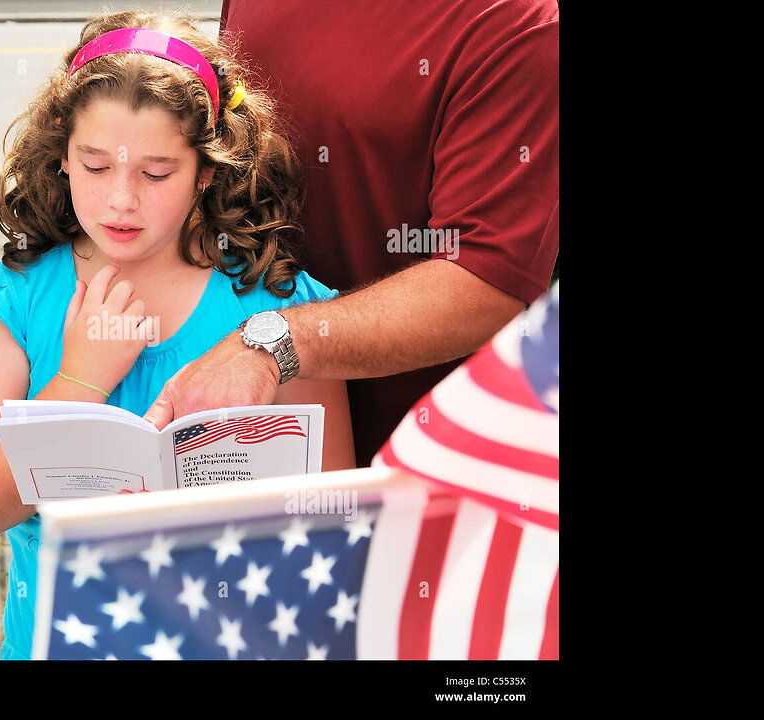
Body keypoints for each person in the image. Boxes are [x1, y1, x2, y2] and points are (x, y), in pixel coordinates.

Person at [0, 10, 357, 661]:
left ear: (208, 171)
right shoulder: (11, 300)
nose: (121, 201)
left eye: (157, 173)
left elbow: (334, 519)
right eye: (96, 165)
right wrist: (81, 379)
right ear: (62, 155)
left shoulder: (281, 313)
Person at [142, 0, 560, 466]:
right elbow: (226, 151)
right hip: (227, 426)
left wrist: (267, 345)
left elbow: (484, 283)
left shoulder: (520, 22)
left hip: (410, 465)